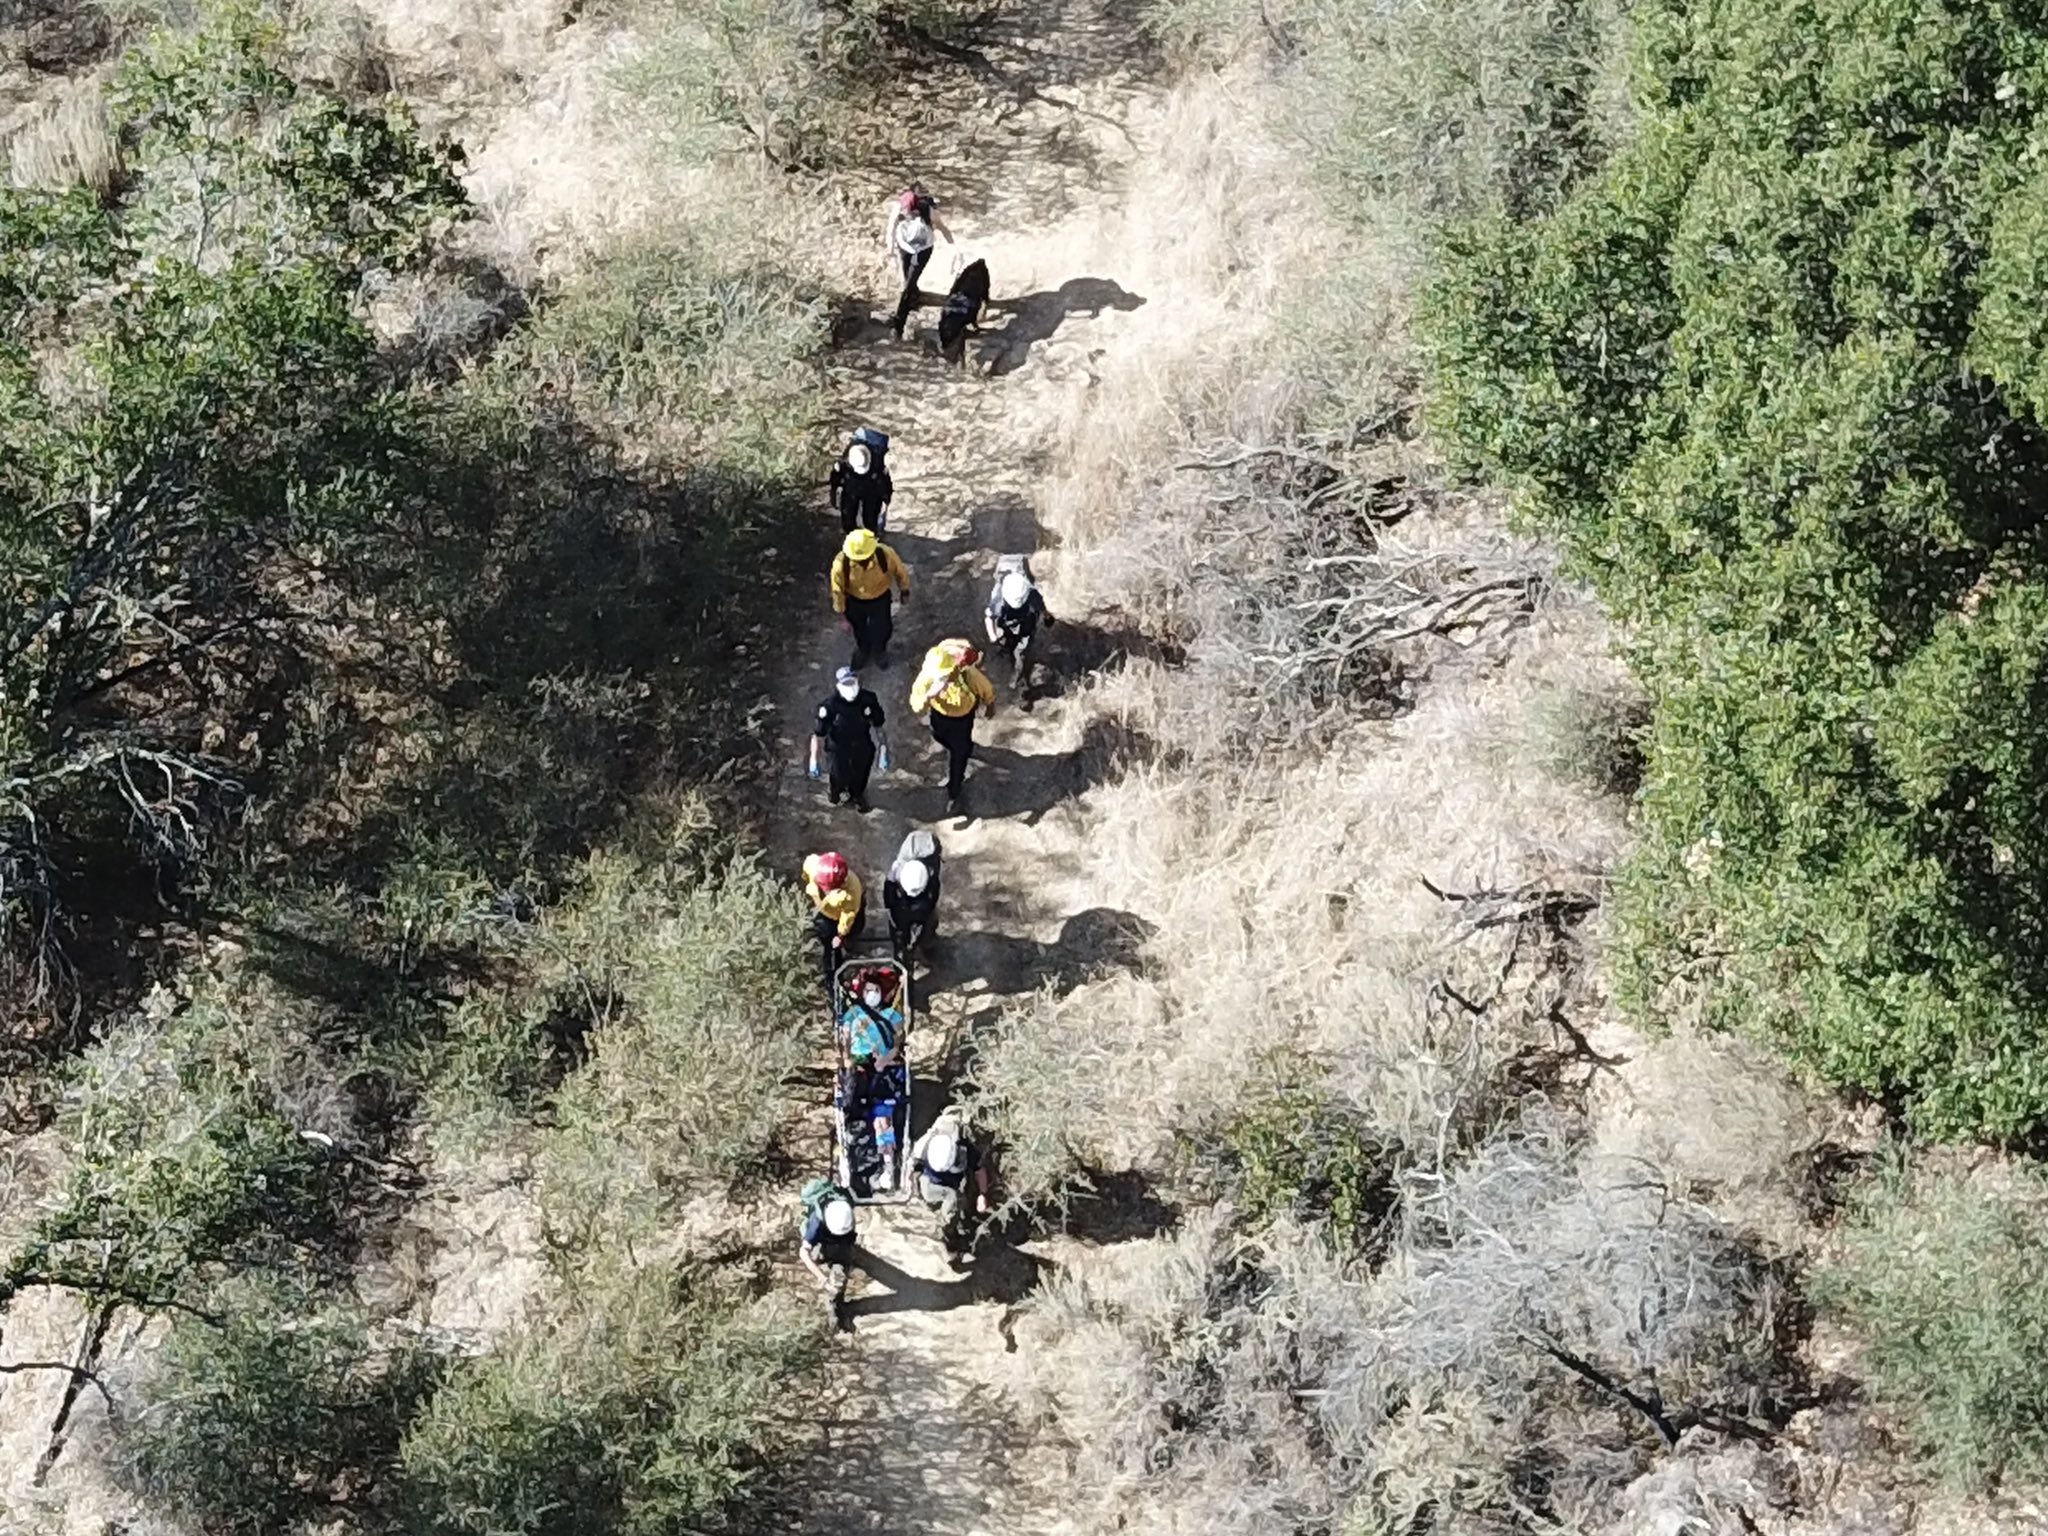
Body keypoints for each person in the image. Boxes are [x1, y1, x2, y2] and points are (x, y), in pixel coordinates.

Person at [909, 639, 996, 816]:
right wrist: (930, 694)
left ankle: (954, 791)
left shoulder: (965, 673)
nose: (945, 678)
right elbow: (917, 705)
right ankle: (963, 749)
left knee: (958, 756)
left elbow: (986, 688)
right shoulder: (926, 678)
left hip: (963, 720)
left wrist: (990, 705)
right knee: (939, 737)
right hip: (940, 717)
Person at [831, 528, 912, 671]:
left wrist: (904, 590)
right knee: (859, 629)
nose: (860, 561)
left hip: (880, 600)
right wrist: (843, 617)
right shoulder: (841, 563)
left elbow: (900, 571)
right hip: (855, 602)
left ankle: (879, 651)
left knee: (883, 628)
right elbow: (837, 591)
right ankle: (863, 650)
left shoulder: (885, 554)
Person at [809, 665, 887, 812]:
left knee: (861, 774)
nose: (850, 687)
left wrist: (883, 749)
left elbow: (878, 725)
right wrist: (814, 759)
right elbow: (818, 734)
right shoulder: (829, 706)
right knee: (838, 774)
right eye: (846, 684)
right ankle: (836, 792)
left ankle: (857, 796)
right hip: (837, 747)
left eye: (852, 682)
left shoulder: (868, 699)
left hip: (862, 744)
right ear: (838, 685)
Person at [910, 1110, 989, 1255]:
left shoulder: (965, 1149)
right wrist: (915, 1188)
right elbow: (914, 1171)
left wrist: (982, 1195)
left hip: (953, 1184)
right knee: (951, 1198)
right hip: (930, 1183)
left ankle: (956, 1226)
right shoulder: (922, 1146)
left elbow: (979, 1170)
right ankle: (948, 1232)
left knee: (957, 1197)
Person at [885, 185, 954, 338]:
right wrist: (890, 252)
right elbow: (890, 230)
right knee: (907, 277)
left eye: (909, 211)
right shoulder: (898, 210)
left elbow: (942, 228)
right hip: (904, 246)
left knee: (908, 284)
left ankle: (898, 324)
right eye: (904, 210)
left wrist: (953, 248)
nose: (905, 213)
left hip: (924, 249)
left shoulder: (928, 211)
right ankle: (915, 295)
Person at [838, 1048, 905, 1193]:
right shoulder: (856, 1078)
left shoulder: (878, 1072)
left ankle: (887, 1163)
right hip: (866, 1111)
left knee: (882, 1122)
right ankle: (884, 1163)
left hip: (876, 1106)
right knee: (880, 1122)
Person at [985, 564, 1054, 701]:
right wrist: (993, 637)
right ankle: (1008, 652)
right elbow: (989, 617)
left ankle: (1018, 672)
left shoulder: (1031, 593)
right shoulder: (998, 602)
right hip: (1005, 623)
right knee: (1006, 643)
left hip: (1026, 622)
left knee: (1021, 651)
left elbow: (1042, 607)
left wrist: (1047, 617)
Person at [802, 851, 865, 995]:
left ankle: (849, 944)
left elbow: (848, 916)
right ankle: (831, 977)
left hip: (843, 915)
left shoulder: (852, 893)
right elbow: (806, 874)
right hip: (825, 912)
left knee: (853, 930)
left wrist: (841, 935)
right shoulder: (812, 866)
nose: (826, 890)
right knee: (827, 941)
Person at [799, 1177, 859, 1323]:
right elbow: (803, 1253)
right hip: (822, 1239)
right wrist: (823, 1280)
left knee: (843, 1262)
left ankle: (837, 1300)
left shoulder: (846, 1211)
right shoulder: (817, 1220)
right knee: (818, 1255)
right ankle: (833, 1307)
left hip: (842, 1237)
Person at [884, 848, 941, 962]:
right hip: (904, 911)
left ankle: (925, 945)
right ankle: (902, 949)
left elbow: (932, 901)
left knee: (928, 926)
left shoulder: (930, 879)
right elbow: (888, 897)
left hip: (920, 912)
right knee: (899, 934)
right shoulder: (896, 872)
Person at [828, 436, 893, 534]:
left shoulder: (877, 463)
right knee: (848, 518)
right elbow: (835, 478)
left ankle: (871, 535)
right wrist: (833, 493)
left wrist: (886, 498)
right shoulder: (844, 464)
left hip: (871, 489)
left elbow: (884, 485)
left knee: (870, 519)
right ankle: (850, 534)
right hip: (851, 489)